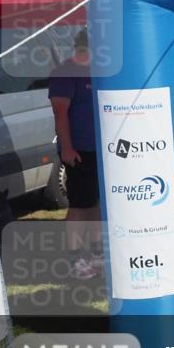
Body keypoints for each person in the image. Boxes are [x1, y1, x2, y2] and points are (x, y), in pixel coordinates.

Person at [48, 30, 103, 280]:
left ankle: (95, 253)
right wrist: (67, 148)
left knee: (95, 203)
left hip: (100, 149)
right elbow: (60, 113)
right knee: (80, 205)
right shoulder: (65, 72)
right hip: (79, 149)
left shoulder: (98, 70)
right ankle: (76, 259)